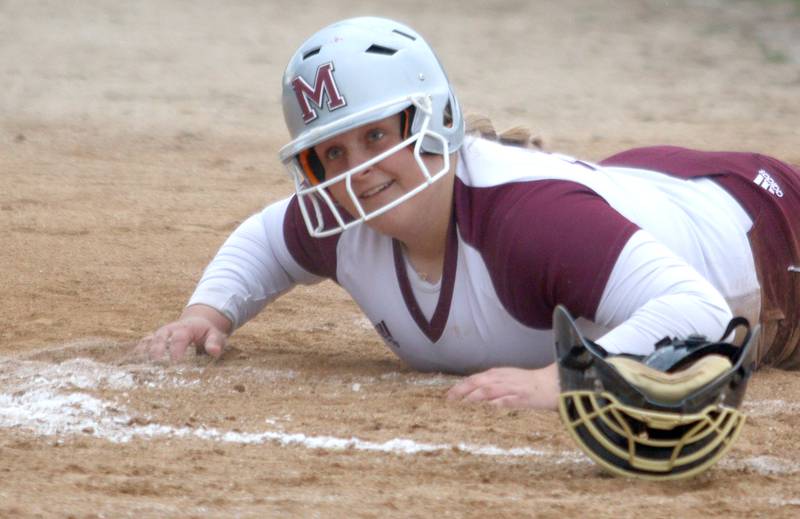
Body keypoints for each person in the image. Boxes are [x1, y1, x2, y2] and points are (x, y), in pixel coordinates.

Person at [136, 16, 800, 410]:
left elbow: (704, 310)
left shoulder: (527, 219)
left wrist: (562, 382)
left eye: (377, 135)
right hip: (641, 190)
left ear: (437, 121)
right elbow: (267, 240)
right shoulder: (342, 223)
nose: (356, 171)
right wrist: (207, 313)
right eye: (331, 153)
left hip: (768, 237)